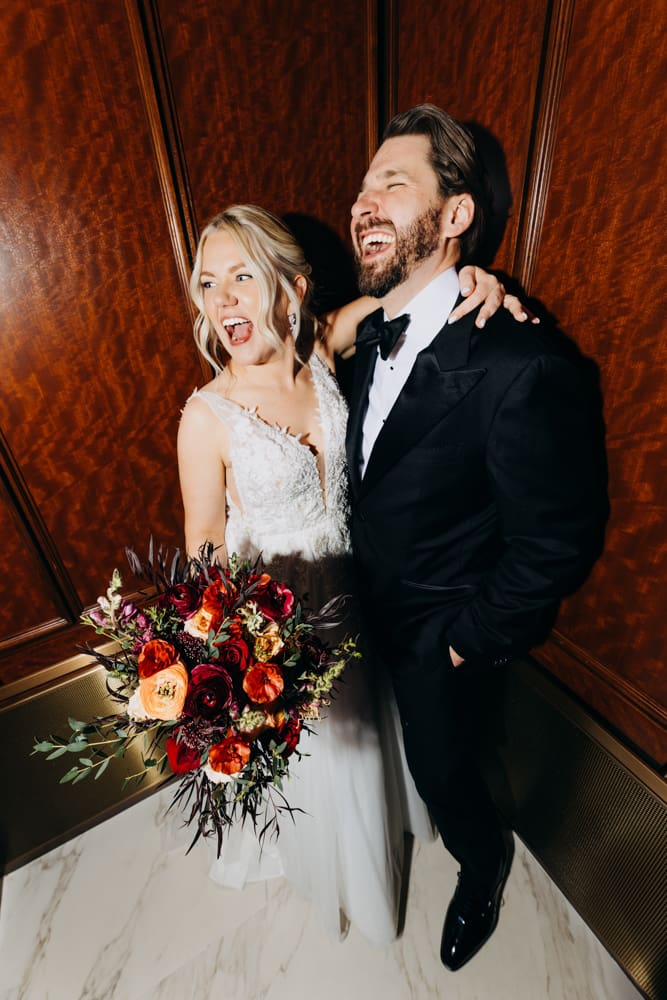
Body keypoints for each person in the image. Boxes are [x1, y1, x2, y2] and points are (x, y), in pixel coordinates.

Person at [176, 203, 530, 945]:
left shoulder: (322, 348)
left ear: (292, 287)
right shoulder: (206, 417)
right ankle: (354, 882)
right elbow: (205, 540)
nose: (224, 300)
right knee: (331, 762)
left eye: (243, 275)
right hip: (285, 625)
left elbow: (418, 289)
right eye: (209, 284)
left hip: (369, 589)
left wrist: (476, 278)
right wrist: (221, 657)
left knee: (389, 735)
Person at [346, 104, 608, 970]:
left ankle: (483, 865)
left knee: (445, 775)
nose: (363, 202)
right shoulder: (354, 345)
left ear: (456, 214)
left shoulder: (522, 364)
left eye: (392, 183)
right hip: (351, 621)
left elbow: (555, 539)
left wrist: (464, 643)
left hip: (436, 639)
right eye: (361, 187)